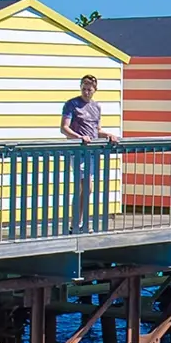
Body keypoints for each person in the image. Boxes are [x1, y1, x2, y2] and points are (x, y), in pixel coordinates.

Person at [60, 74, 115, 233]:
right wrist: (79, 137)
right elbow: (64, 128)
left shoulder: (96, 107)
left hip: (92, 152)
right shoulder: (72, 104)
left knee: (87, 189)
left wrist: (108, 135)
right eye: (84, 89)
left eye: (89, 89)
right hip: (78, 151)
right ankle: (76, 223)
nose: (86, 92)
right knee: (86, 186)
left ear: (95, 90)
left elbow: (96, 131)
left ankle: (79, 223)